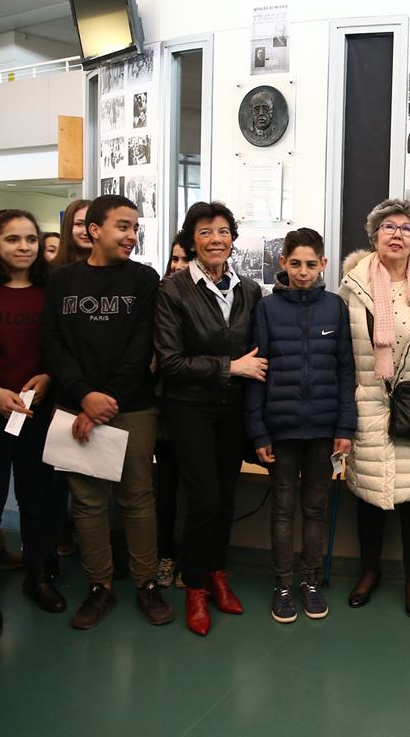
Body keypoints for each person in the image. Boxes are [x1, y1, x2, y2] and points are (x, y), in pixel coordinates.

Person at [43, 194, 173, 630]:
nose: (131, 236)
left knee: (138, 499)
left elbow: (142, 347)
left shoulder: (143, 279)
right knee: (88, 502)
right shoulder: (62, 281)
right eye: (122, 226)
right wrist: (84, 396)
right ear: (93, 229)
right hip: (75, 407)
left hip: (131, 408)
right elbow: (54, 345)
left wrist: (104, 401)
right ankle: (100, 587)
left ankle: (146, 583)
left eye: (135, 227)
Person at [155, 202, 265, 636]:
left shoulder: (250, 290)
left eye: (223, 231)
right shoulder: (173, 290)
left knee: (226, 494)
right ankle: (195, 586)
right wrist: (229, 367)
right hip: (189, 408)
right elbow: (169, 361)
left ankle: (218, 572)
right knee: (202, 498)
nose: (216, 239)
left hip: (233, 409)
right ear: (191, 240)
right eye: (205, 232)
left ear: (233, 238)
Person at [339, 200, 410, 618]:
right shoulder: (354, 286)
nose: (397, 234)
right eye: (388, 227)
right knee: (368, 497)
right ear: (374, 236)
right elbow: (341, 354)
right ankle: (369, 573)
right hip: (367, 404)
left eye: (405, 228)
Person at [245, 228, 356, 624]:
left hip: (324, 430)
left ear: (324, 264)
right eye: (296, 264)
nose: (304, 272)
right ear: (283, 264)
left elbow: (346, 370)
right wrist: (258, 431)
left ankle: (310, 581)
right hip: (281, 430)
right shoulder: (266, 309)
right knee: (282, 510)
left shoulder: (335, 307)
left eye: (311, 264)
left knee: (315, 509)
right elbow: (256, 371)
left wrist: (345, 427)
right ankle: (283, 585)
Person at [0, 210, 67, 632]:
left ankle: (37, 576)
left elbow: (62, 346)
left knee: (37, 500)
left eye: (30, 239)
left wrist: (48, 377)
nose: (24, 247)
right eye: (13, 239)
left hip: (37, 411)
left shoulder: (51, 290)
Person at [154, 237, 191, 589]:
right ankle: (165, 555)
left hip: (197, 412)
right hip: (164, 416)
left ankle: (191, 562)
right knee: (164, 491)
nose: (178, 265)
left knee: (198, 493)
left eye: (185, 259)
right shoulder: (160, 297)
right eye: (174, 258)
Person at [52, 199, 93, 266]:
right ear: (68, 226)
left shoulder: (112, 268)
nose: (86, 232)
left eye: (91, 224)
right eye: (79, 224)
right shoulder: (51, 270)